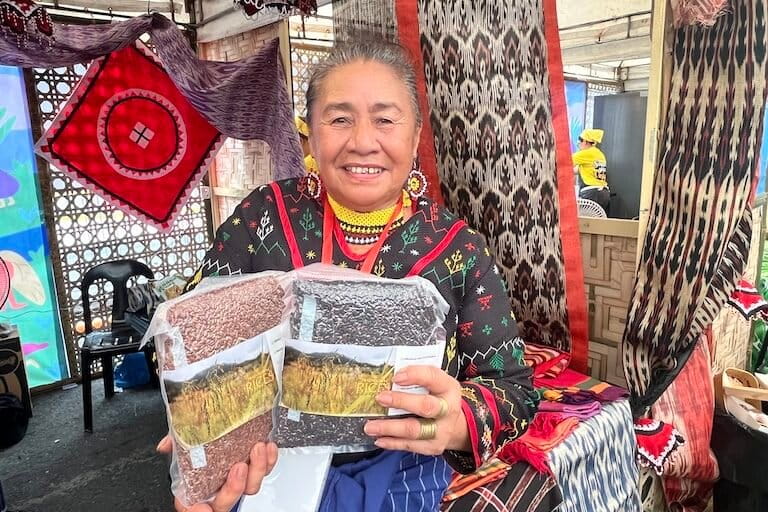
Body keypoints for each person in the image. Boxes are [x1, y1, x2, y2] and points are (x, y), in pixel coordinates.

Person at [160, 41, 540, 512]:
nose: (362, 141)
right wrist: (200, 428)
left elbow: (515, 391)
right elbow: (190, 342)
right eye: (340, 118)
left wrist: (456, 421)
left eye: (385, 120)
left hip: (401, 477)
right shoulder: (262, 217)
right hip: (265, 469)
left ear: (416, 136)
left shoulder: (457, 249)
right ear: (309, 136)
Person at [573, 129, 610, 213]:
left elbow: (565, 162)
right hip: (604, 194)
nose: (578, 143)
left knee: (584, 220)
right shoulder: (599, 154)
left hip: (591, 194)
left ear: (586, 142)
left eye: (580, 140)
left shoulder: (585, 153)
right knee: (598, 220)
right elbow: (576, 170)